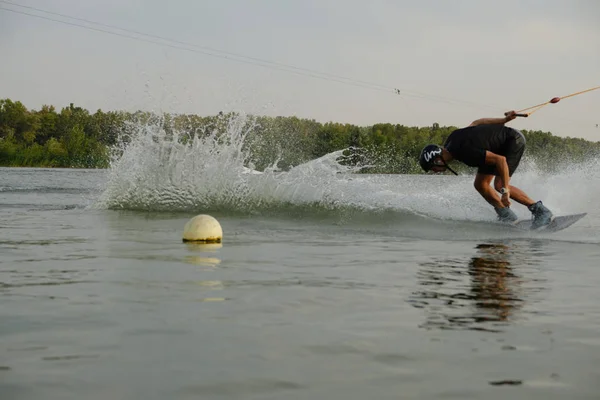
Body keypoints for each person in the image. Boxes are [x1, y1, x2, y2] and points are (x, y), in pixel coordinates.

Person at [418, 110, 553, 228]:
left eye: (432, 168)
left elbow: (500, 160)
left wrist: (505, 192)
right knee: (480, 184)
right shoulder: (451, 142)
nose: (434, 171)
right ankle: (507, 216)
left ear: (437, 159)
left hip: (512, 141)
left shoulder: (463, 151)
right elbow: (477, 122)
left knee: (499, 184)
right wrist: (504, 120)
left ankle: (541, 211)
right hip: (493, 148)